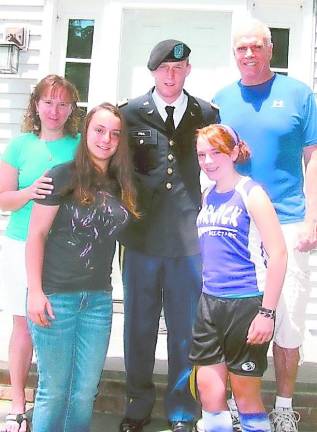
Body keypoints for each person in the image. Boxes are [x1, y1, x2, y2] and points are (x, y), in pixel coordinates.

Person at [213, 18, 317, 432]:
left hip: (289, 222)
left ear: (271, 49)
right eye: (241, 48)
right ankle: (243, 405)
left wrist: (314, 218)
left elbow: (313, 158)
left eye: (256, 46)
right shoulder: (221, 99)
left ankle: (285, 405)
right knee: (241, 318)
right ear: (233, 53)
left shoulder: (299, 94)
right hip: (239, 225)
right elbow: (212, 159)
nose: (249, 54)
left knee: (287, 320)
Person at [118, 39, 219, 432]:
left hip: (188, 243)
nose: (171, 75)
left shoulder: (206, 113)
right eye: (164, 69)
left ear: (188, 70)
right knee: (139, 328)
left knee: (184, 332)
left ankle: (181, 412)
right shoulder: (129, 115)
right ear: (153, 72)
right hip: (141, 239)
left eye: (179, 68)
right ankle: (137, 407)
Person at [25, 102, 138, 432]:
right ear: (86, 131)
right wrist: (35, 291)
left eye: (115, 134)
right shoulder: (61, 175)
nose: (106, 139)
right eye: (99, 130)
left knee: (85, 392)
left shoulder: (121, 184)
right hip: (55, 298)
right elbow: (37, 235)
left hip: (98, 301)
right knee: (54, 392)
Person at [190, 123, 287, 432]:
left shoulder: (251, 193)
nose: (208, 161)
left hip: (245, 305)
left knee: (246, 398)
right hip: (210, 304)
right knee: (210, 392)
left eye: (216, 152)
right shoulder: (207, 195)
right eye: (201, 154)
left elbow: (279, 255)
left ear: (233, 152)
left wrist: (267, 313)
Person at [0, 74, 81, 432]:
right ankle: (18, 403)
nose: (55, 110)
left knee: (57, 326)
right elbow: (3, 199)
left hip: (62, 250)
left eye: (63, 103)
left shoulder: (80, 145)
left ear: (72, 109)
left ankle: (54, 401)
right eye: (48, 102)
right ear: (36, 105)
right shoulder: (19, 146)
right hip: (20, 243)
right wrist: (32, 191)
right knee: (23, 326)